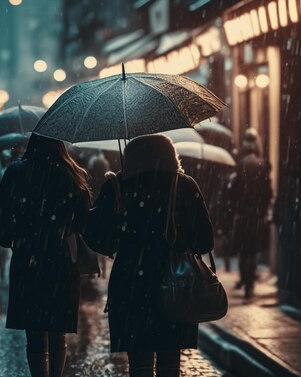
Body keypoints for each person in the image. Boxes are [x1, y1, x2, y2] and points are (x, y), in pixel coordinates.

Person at [85, 134, 213, 377]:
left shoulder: (118, 187)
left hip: (131, 284)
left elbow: (95, 236)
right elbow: (205, 240)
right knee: (169, 361)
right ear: (170, 156)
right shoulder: (184, 185)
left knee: (140, 363)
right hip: (175, 284)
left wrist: (118, 235)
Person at [0, 134, 90, 377]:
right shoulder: (72, 174)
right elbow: (85, 220)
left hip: (27, 258)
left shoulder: (16, 173)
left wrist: (12, 239)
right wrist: (66, 229)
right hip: (61, 258)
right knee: (58, 334)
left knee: (34, 334)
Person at [226, 128, 272, 298]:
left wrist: (234, 207)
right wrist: (263, 209)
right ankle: (249, 284)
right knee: (252, 251)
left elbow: (232, 191)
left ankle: (246, 281)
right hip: (256, 215)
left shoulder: (241, 164)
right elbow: (268, 191)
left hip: (243, 214)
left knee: (244, 251)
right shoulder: (262, 164)